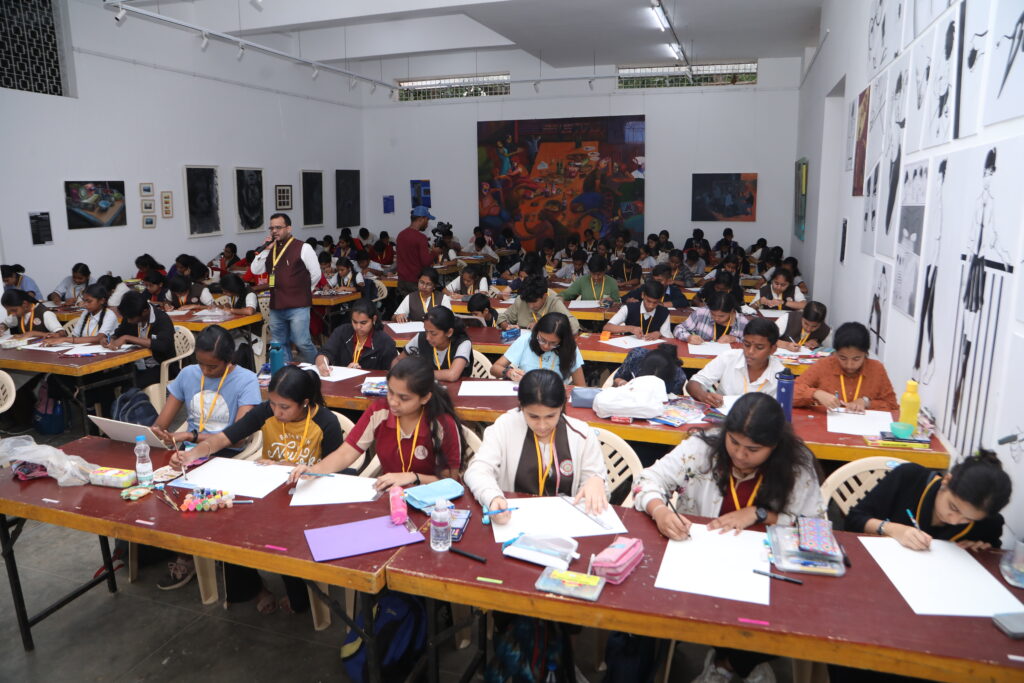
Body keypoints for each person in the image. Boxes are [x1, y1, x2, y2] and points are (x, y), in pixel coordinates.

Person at [633, 392, 824, 683]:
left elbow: (816, 529)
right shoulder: (701, 449)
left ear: (775, 446)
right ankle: (731, 661)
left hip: (765, 572)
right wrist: (659, 511)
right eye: (733, 441)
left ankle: (731, 663)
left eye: (753, 449)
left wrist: (761, 514)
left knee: (783, 617)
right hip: (698, 559)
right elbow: (647, 479)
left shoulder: (796, 467)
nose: (740, 454)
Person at [172, 365, 343, 614]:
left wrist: (289, 465)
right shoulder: (266, 412)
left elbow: (333, 472)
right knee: (229, 527)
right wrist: (191, 454)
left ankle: (301, 597)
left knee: (287, 538)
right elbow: (226, 437)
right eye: (273, 404)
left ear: (304, 403)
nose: (277, 411)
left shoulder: (326, 422)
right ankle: (252, 589)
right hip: (268, 493)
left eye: (284, 407)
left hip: (307, 501)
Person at [147, 325, 261, 590]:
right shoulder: (188, 374)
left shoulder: (246, 380)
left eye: (212, 367)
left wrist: (190, 436)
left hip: (230, 454)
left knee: (187, 493)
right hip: (189, 452)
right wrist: (157, 434)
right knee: (154, 490)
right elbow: (162, 423)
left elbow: (239, 435)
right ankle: (179, 548)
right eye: (201, 364)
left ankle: (189, 555)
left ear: (228, 360)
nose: (205, 371)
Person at [289, 356, 464, 490]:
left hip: (432, 503)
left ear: (425, 398)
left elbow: (451, 482)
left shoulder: (442, 424)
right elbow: (346, 453)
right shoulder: (380, 410)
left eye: (403, 398)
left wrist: (413, 477)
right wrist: (314, 470)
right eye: (391, 392)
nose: (393, 402)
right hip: (389, 496)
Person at [464, 368, 608, 518]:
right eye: (533, 417)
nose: (542, 425)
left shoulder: (581, 434)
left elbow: (596, 482)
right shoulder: (505, 426)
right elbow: (478, 470)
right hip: (513, 517)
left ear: (562, 406)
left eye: (550, 416)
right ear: (521, 405)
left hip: (564, 520)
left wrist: (596, 481)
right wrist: (493, 497)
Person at [846, 451, 1011, 551]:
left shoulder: (989, 522)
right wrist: (892, 530)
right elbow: (853, 521)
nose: (954, 520)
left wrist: (980, 551)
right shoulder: (910, 478)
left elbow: (992, 553)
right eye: (953, 507)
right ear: (946, 481)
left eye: (968, 519)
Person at [249, 212, 321, 363]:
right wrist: (266, 250)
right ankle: (287, 373)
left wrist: (303, 292)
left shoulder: (303, 247)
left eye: (278, 227)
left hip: (298, 305)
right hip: (276, 305)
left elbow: (316, 274)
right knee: (279, 343)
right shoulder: (270, 250)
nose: (274, 231)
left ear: (289, 228)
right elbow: (255, 270)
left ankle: (319, 367)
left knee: (302, 342)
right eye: (271, 228)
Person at [793, 321, 898, 413]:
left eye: (856, 359)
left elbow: (893, 406)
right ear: (835, 353)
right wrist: (815, 393)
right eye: (843, 358)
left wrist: (867, 402)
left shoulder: (876, 369)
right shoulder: (824, 365)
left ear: (865, 354)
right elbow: (790, 392)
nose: (849, 365)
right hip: (825, 427)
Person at [686, 317, 786, 408]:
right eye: (746, 345)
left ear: (773, 349)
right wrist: (704, 396)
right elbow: (693, 383)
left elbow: (778, 410)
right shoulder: (729, 357)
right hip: (722, 419)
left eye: (759, 347)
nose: (750, 351)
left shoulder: (780, 374)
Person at [105, 291, 176, 388]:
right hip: (135, 365)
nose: (128, 321)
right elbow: (118, 333)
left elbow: (163, 345)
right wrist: (111, 339)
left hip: (159, 367)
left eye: (131, 318)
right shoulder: (131, 314)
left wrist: (127, 337)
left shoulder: (162, 319)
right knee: (105, 381)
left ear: (145, 311)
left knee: (131, 386)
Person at [491, 312, 585, 386]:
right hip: (525, 395)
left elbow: (581, 386)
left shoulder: (569, 348)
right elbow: (495, 368)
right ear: (537, 332)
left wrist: (560, 389)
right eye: (542, 340)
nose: (546, 346)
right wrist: (509, 372)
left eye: (553, 343)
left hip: (555, 399)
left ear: (563, 340)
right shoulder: (526, 340)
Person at [316, 298, 396, 371]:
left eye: (363, 323)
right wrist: (322, 363)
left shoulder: (385, 342)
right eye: (354, 322)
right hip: (343, 382)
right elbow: (324, 352)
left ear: (374, 319)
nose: (358, 327)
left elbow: (391, 372)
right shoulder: (342, 332)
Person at [398, 306, 473, 382]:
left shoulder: (463, 343)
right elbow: (398, 360)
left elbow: (452, 375)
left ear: (449, 332)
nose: (427, 337)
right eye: (426, 331)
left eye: (433, 333)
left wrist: (418, 374)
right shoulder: (421, 337)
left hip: (457, 391)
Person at [498, 274, 579, 334]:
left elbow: (574, 325)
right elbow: (502, 317)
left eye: (534, 302)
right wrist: (506, 326)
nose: (530, 306)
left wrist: (544, 326)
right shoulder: (521, 300)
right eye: (528, 302)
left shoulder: (554, 302)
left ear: (545, 296)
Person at [42, 284, 116, 345]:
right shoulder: (86, 313)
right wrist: (59, 338)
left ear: (102, 301)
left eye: (89, 301)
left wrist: (64, 339)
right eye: (84, 301)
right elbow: (75, 336)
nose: (85, 304)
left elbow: (99, 339)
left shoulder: (109, 315)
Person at [604, 280, 673, 340]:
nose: (651, 306)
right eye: (648, 301)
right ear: (642, 295)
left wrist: (659, 334)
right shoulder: (629, 308)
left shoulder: (664, 312)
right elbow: (607, 327)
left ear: (660, 300)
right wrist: (630, 328)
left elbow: (668, 338)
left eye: (655, 302)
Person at [396, 206, 439, 300]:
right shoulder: (421, 238)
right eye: (427, 220)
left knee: (407, 309)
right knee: (419, 310)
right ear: (421, 219)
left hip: (402, 281)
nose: (427, 224)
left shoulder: (400, 235)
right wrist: (434, 253)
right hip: (416, 282)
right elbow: (426, 262)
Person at [674, 292, 748, 344]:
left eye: (721, 316)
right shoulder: (701, 313)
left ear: (732, 311)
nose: (716, 318)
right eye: (713, 314)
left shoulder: (743, 323)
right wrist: (688, 337)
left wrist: (735, 339)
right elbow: (678, 328)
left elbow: (751, 344)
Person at [612, 343, 685, 394]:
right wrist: (623, 383)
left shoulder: (678, 376)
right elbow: (617, 378)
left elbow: (672, 400)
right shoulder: (636, 356)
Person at [624, 264, 690, 308]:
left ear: (669, 280)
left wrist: (662, 305)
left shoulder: (674, 290)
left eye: (660, 280)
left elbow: (684, 302)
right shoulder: (646, 287)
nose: (656, 283)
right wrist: (629, 300)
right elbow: (624, 298)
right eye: (654, 280)